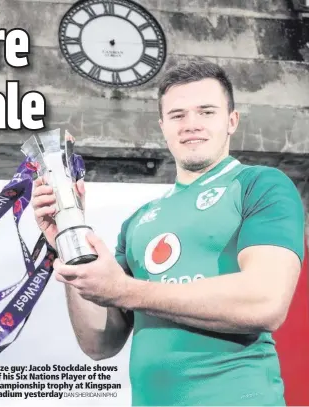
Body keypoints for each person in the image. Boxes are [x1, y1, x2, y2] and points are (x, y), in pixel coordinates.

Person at [31, 60, 306, 406]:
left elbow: (265, 300)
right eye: (177, 115)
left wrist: (127, 290)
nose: (191, 124)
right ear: (162, 126)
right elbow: (99, 343)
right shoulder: (138, 222)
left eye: (206, 112)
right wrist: (68, 237)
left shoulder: (259, 185)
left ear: (231, 121)